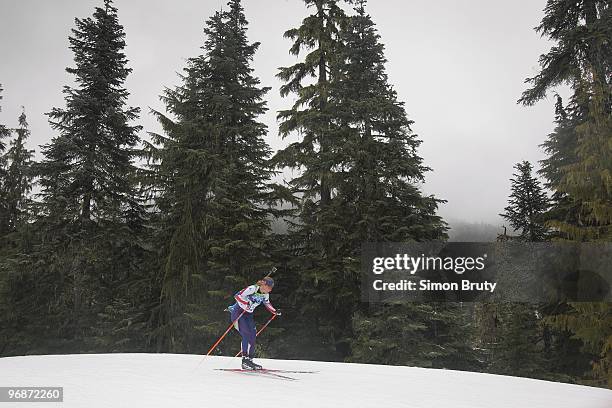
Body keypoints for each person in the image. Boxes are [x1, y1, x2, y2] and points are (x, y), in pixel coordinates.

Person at [228, 276, 280, 370]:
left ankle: (250, 360)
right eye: (269, 287)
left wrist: (275, 311)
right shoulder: (253, 288)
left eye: (271, 288)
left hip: (248, 315)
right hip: (239, 312)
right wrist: (245, 302)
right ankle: (245, 361)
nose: (270, 290)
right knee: (246, 334)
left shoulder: (265, 294)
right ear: (264, 284)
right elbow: (237, 295)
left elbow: (267, 304)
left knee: (253, 335)